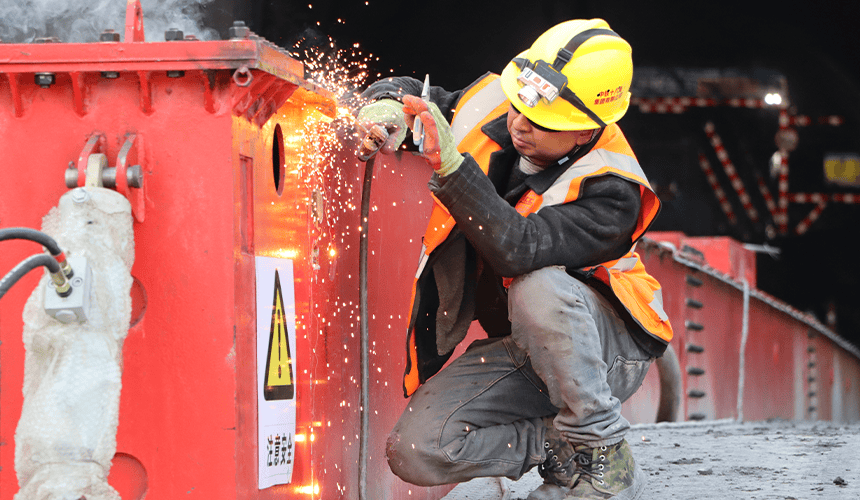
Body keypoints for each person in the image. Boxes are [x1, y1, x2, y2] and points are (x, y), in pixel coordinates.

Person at [356, 18, 672, 500]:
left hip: (606, 354)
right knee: (416, 449)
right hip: (527, 348)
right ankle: (560, 448)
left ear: (586, 129)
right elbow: (418, 95)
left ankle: (604, 455)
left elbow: (519, 249)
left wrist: (451, 167)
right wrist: (385, 106)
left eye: (541, 121)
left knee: (538, 284)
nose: (520, 124)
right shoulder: (495, 104)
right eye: (519, 106)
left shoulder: (613, 190)